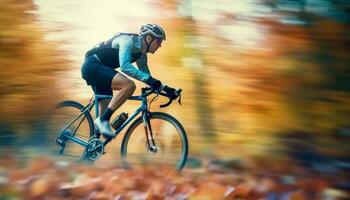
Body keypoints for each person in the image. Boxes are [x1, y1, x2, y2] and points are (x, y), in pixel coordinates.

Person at [81, 23, 177, 137]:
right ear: (149, 38)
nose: (160, 45)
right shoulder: (128, 41)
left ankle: (92, 147)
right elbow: (125, 66)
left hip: (103, 72)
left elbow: (146, 77)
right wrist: (151, 81)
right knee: (129, 85)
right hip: (92, 66)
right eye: (158, 41)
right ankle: (103, 121)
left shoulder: (141, 54)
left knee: (101, 128)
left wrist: (166, 89)